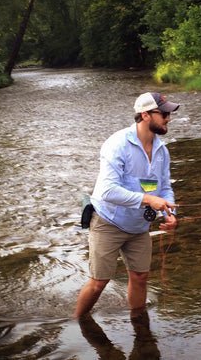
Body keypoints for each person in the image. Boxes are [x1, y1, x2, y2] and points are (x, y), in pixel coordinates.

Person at [75, 92, 179, 319]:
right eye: (164, 114)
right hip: (107, 222)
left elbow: (164, 188)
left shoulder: (162, 150)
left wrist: (170, 214)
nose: (168, 118)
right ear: (145, 115)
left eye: (169, 114)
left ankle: (138, 326)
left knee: (141, 277)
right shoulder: (117, 144)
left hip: (139, 226)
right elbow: (106, 191)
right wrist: (148, 200)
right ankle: (79, 321)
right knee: (99, 282)